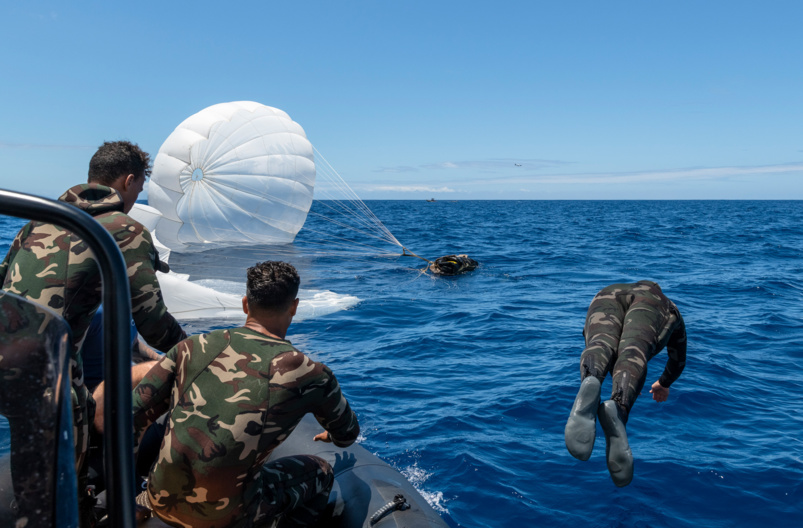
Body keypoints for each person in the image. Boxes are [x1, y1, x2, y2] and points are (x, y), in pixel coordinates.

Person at [0, 140, 186, 523]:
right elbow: (152, 319)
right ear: (129, 180)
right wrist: (199, 350)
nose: (137, 197)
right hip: (48, 375)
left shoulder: (40, 219)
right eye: (138, 189)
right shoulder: (123, 228)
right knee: (64, 477)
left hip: (6, 359)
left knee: (37, 451)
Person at [132, 261, 360, 528]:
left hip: (158, 499)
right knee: (321, 471)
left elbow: (134, 412)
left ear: (244, 304)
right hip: (229, 517)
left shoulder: (191, 346)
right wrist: (331, 435)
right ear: (294, 307)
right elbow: (347, 435)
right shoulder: (310, 372)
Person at [564, 280, 686, 487]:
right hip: (652, 306)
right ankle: (619, 406)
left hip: (604, 297)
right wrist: (663, 383)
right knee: (633, 350)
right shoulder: (666, 303)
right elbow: (678, 359)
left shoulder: (612, 288)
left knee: (600, 343)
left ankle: (591, 377)